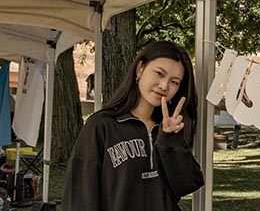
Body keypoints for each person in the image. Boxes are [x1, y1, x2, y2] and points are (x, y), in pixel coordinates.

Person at [63, 41, 204, 211]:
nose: (164, 85)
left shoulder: (171, 129)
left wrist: (170, 139)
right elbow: (80, 195)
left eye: (174, 82)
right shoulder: (101, 126)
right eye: (159, 73)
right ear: (140, 69)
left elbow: (186, 184)